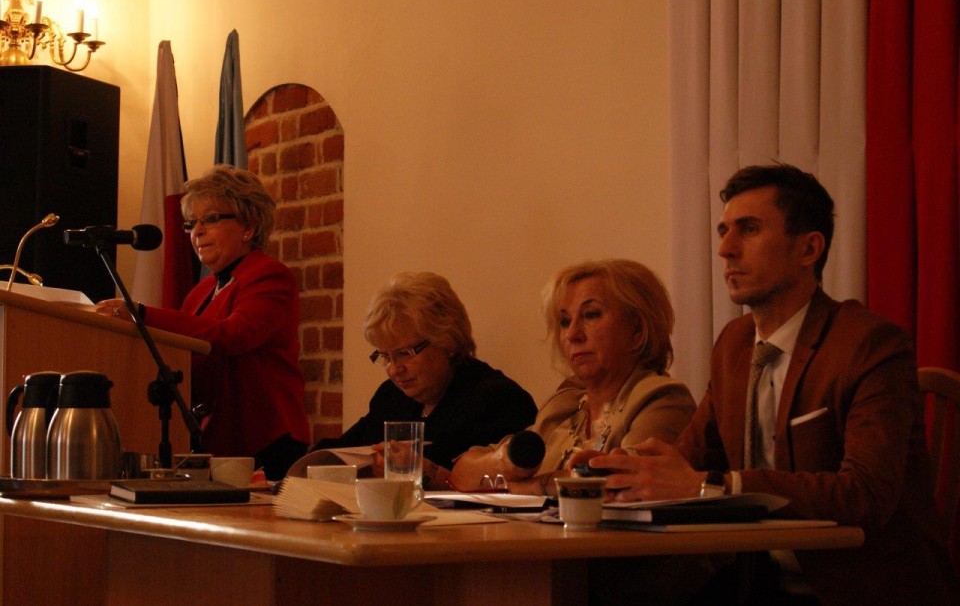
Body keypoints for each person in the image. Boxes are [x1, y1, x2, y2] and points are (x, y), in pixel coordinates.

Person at [589, 164, 959, 604]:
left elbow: (866, 495)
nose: (725, 249)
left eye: (749, 230)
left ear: (809, 249)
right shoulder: (734, 344)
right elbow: (690, 460)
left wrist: (715, 486)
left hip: (860, 589)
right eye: (723, 231)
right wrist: (611, 471)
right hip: (757, 583)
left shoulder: (869, 344)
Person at [96, 164, 310, 480]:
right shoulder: (199, 292)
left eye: (210, 219)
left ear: (249, 226)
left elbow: (234, 335)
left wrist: (143, 314)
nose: (197, 232)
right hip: (215, 440)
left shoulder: (269, 276)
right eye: (191, 223)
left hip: (265, 439)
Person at [448, 259, 695, 496]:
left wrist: (521, 487)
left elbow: (621, 484)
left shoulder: (662, 400)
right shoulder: (564, 407)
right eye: (565, 321)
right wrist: (506, 463)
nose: (572, 334)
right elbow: (462, 473)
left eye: (591, 315)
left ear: (638, 330)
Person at [309, 271, 537, 489]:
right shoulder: (391, 397)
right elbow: (339, 451)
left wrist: (425, 471)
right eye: (385, 356)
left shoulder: (499, 400)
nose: (394, 370)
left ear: (447, 340)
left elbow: (506, 491)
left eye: (404, 354)